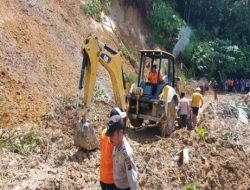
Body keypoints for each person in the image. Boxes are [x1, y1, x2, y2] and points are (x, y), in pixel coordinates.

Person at [106, 115, 138, 190]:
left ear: (120, 133)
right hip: (116, 185)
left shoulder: (127, 154)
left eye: (112, 135)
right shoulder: (116, 144)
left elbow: (133, 180)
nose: (110, 138)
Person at [100, 108, 127, 190]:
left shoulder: (103, 132)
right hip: (112, 180)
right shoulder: (116, 139)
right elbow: (119, 159)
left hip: (103, 176)